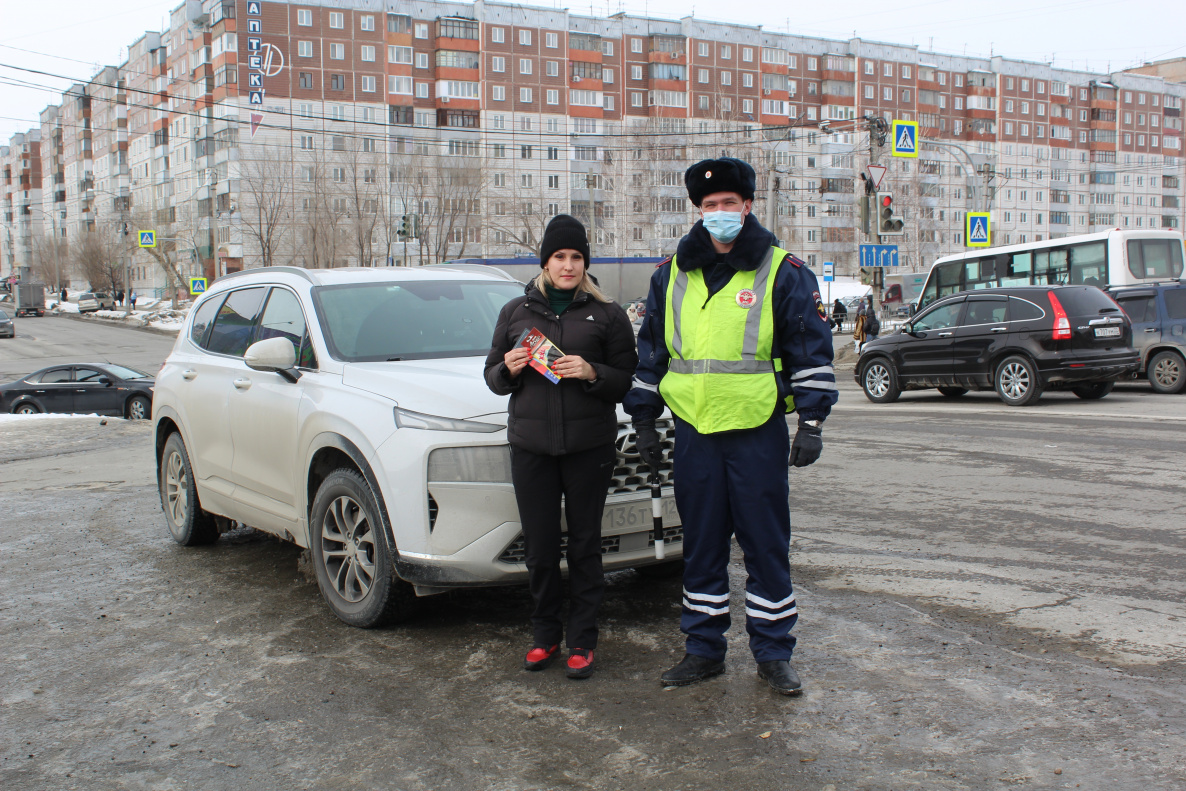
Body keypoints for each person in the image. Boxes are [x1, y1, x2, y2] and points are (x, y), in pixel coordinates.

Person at [624, 158, 837, 696]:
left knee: (765, 543)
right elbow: (652, 352)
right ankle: (703, 649)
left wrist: (810, 420)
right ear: (699, 210)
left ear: (747, 206)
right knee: (700, 544)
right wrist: (644, 419)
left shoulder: (782, 270)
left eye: (729, 204)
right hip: (694, 430)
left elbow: (809, 348)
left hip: (754, 428)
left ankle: (772, 652)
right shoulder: (670, 273)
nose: (720, 213)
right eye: (710, 206)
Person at [485, 214, 638, 680]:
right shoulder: (516, 313)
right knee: (541, 548)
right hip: (531, 448)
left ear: (585, 264)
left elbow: (627, 380)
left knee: (586, 546)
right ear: (545, 262)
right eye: (559, 257)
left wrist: (593, 373)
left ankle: (583, 641)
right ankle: (544, 635)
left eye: (576, 257)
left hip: (588, 447)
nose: (568, 266)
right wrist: (509, 368)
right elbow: (492, 378)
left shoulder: (608, 314)